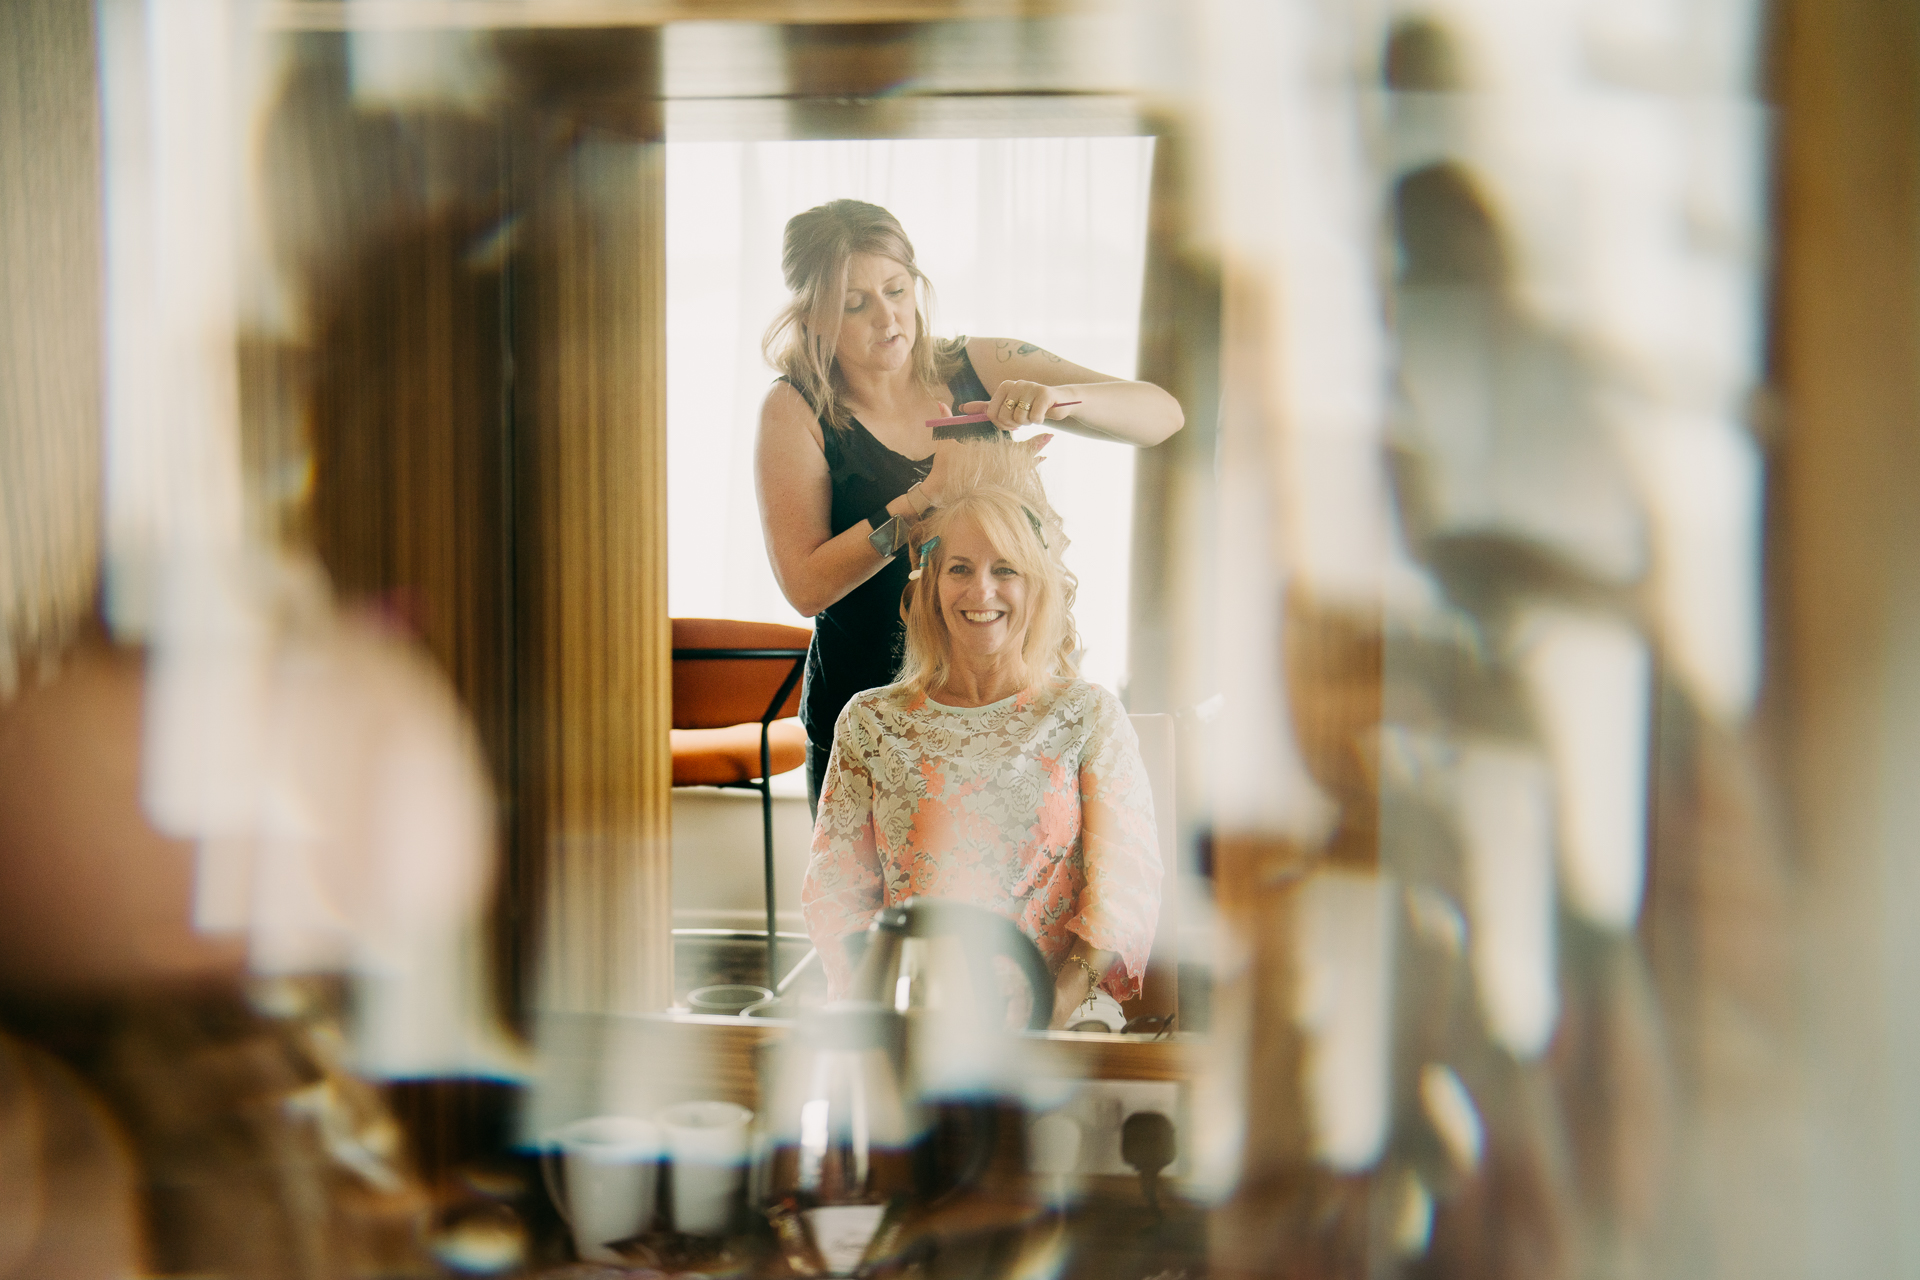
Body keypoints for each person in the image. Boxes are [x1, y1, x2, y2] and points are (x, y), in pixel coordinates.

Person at [754, 198, 1183, 808]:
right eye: (855, 303)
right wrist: (925, 497)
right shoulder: (796, 409)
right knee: (871, 899)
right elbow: (806, 586)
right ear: (813, 317)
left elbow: (1163, 416)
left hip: (1003, 689)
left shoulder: (980, 363)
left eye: (897, 290)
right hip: (870, 695)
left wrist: (1058, 398)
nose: (888, 317)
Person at [799, 447, 1161, 1029]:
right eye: (960, 568)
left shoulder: (1089, 715)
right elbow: (836, 899)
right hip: (911, 1010)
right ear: (932, 582)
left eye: (1005, 570)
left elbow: (1125, 895)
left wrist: (1049, 1008)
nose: (981, 591)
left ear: (1037, 586)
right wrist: (885, 1009)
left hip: (1059, 1009)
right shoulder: (869, 721)